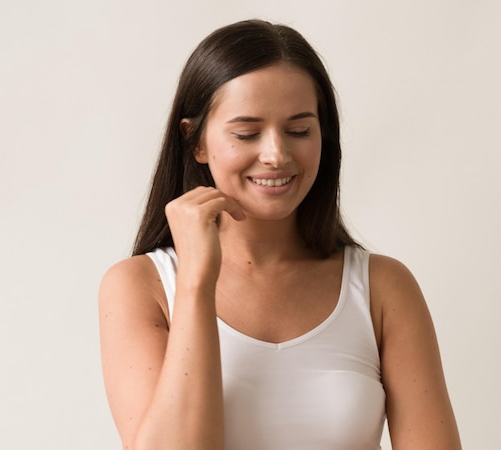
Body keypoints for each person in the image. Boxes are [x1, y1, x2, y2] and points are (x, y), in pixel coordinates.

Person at [99, 19, 462, 450]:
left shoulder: (382, 288)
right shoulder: (142, 286)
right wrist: (196, 280)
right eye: (246, 133)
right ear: (195, 141)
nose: (276, 154)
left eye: (299, 130)